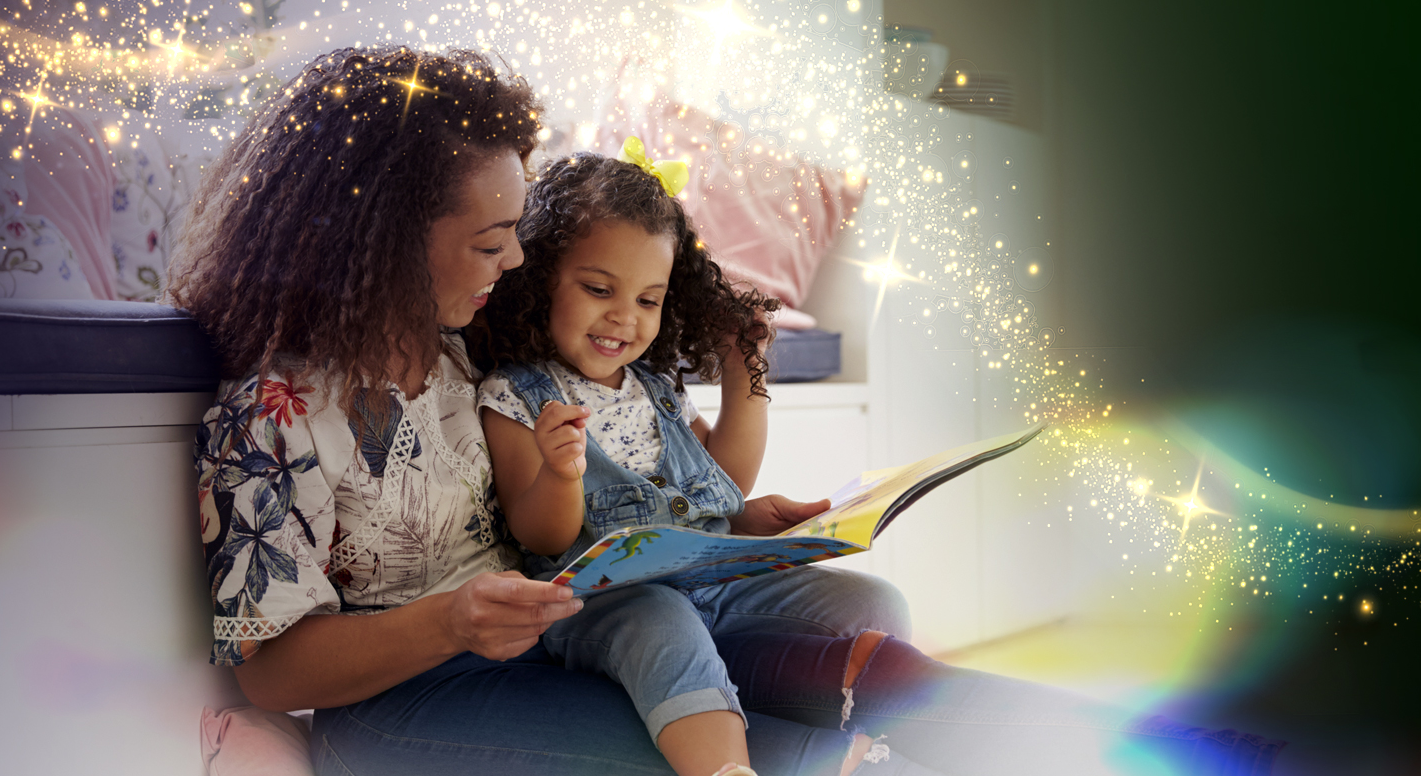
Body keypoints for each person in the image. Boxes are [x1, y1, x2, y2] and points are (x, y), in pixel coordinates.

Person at [167, 44, 1284, 776]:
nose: (515, 261)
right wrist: (454, 622)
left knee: (842, 641)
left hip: (563, 643)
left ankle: (1120, 739)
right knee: (753, 743)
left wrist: (735, 529)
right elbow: (271, 668)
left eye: (521, 233)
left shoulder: (477, 359)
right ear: (380, 238)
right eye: (489, 239)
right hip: (403, 702)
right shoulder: (269, 416)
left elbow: (606, 470)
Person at [475, 147, 857, 776]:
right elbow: (539, 535)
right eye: (599, 290)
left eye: (649, 300)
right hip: (610, 608)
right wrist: (559, 472)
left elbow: (721, 484)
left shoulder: (654, 386)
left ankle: (761, 703)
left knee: (866, 604)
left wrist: (747, 376)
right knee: (663, 621)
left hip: (710, 585)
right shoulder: (518, 395)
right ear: (541, 279)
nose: (624, 317)